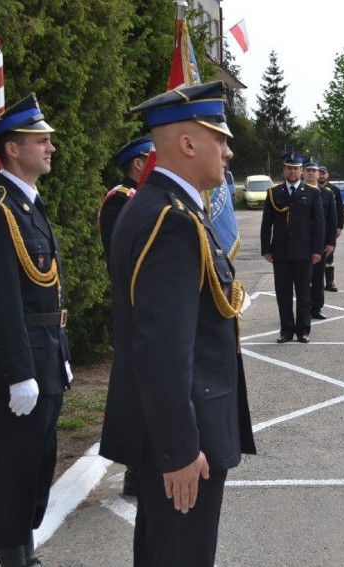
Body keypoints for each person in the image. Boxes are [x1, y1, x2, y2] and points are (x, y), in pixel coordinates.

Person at [99, 81, 255, 567]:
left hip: (176, 426)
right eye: (220, 139)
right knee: (182, 555)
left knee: (164, 552)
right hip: (189, 435)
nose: (228, 152)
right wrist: (180, 450)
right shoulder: (172, 219)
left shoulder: (159, 207)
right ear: (188, 144)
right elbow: (162, 348)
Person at [0, 94, 71, 567]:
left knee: (39, 459)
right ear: (11, 149)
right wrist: (18, 371)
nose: (50, 147)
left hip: (46, 351)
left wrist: (58, 353)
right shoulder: (2, 210)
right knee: (16, 464)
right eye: (39, 140)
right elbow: (3, 299)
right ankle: (12, 553)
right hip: (23, 361)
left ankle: (22, 546)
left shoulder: (30, 205)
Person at [98, 134, 153, 498]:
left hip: (145, 305)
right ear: (138, 164)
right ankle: (135, 469)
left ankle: (145, 463)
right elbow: (129, 259)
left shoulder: (139, 200)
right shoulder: (121, 201)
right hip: (134, 306)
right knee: (136, 388)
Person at [260, 152, 325, 343]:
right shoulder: (274, 193)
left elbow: (319, 224)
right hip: (280, 252)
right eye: (289, 168)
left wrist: (316, 250)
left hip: (304, 252)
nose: (292, 172)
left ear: (301, 171)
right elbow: (267, 223)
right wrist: (266, 248)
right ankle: (286, 331)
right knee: (283, 293)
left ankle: (303, 330)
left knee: (304, 293)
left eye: (296, 168)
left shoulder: (312, 193)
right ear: (284, 170)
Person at [98, 135, 152, 264]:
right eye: (153, 160)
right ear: (138, 164)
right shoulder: (119, 199)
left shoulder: (144, 196)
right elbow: (122, 252)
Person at [307, 158, 336, 320]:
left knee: (318, 277)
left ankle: (316, 308)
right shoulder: (298, 192)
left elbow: (333, 220)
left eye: (314, 171)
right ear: (303, 173)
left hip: (321, 243)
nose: (311, 173)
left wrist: (331, 242)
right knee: (303, 278)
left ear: (319, 174)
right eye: (308, 170)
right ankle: (303, 307)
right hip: (302, 242)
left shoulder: (327, 194)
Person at [318, 164, 344, 292]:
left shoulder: (334, 190)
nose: (321, 175)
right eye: (320, 173)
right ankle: (317, 283)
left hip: (330, 229)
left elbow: (340, 211)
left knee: (329, 257)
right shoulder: (311, 188)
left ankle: (330, 282)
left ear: (327, 175)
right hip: (316, 229)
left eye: (324, 173)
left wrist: (340, 227)